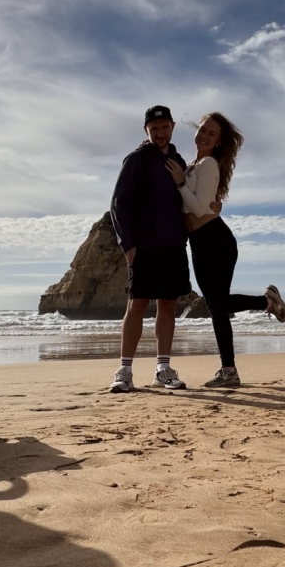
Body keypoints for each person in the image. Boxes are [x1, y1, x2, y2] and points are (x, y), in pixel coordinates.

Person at [166, 112, 285, 388]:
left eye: (211, 133)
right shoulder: (192, 165)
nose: (203, 135)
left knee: (217, 304)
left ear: (219, 142)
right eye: (201, 129)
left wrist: (180, 184)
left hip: (216, 241)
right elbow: (196, 204)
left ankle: (268, 302)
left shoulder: (207, 164)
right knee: (215, 307)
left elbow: (198, 208)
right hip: (198, 242)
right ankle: (229, 370)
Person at [108, 105, 194, 392]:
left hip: (173, 245)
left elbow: (188, 198)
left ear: (172, 127)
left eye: (164, 127)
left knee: (168, 305)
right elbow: (119, 204)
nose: (160, 133)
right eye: (154, 128)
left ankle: (163, 369)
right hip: (144, 245)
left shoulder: (179, 159)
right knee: (137, 305)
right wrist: (127, 245)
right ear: (147, 130)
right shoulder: (137, 159)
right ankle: (124, 371)